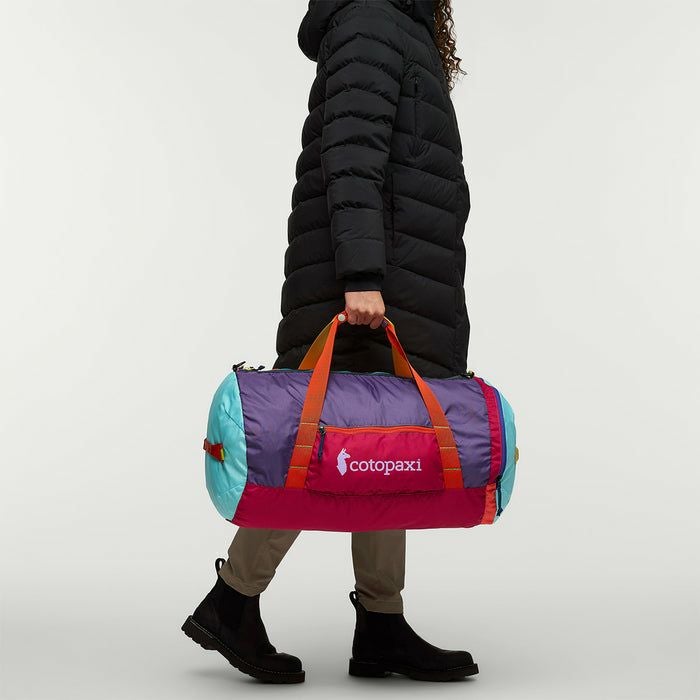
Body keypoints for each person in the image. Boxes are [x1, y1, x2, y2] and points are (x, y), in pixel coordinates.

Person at [183, 0, 474, 683]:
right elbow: (350, 155)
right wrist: (362, 275)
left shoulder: (399, 23)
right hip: (371, 283)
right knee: (313, 447)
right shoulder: (371, 16)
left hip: (399, 278)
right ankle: (233, 600)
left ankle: (381, 623)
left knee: (384, 445)